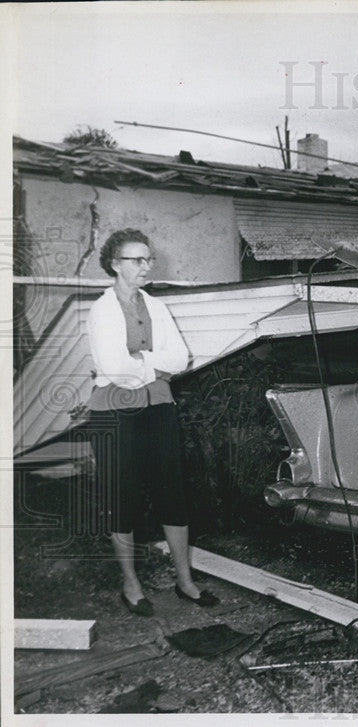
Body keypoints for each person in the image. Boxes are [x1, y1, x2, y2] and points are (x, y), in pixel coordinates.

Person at [85, 228, 218, 615]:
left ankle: (185, 581)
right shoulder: (100, 311)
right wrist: (151, 364)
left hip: (159, 406)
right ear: (115, 264)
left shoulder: (157, 307)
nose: (146, 266)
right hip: (112, 412)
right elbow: (115, 370)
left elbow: (181, 359)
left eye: (149, 259)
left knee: (172, 495)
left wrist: (139, 361)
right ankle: (130, 584)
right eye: (136, 260)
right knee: (121, 498)